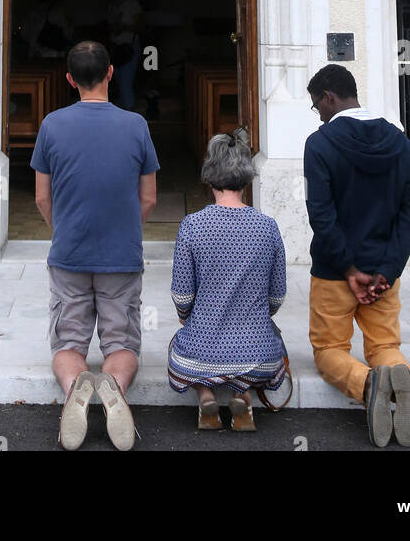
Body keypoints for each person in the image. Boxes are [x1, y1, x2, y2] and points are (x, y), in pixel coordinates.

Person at [31, 40, 159, 451]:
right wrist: (123, 228)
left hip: (68, 254)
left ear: (69, 79)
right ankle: (114, 387)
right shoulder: (136, 125)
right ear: (110, 73)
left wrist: (64, 228)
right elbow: (150, 197)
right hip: (120, 257)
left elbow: (41, 197)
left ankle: (75, 389)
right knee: (121, 344)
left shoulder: (51, 124)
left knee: (68, 344)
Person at [303, 64, 410, 447]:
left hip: (334, 274)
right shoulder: (399, 141)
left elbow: (321, 214)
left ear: (328, 96)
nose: (317, 113)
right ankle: (398, 377)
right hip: (383, 274)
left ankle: (369, 385)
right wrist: (387, 269)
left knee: (329, 350)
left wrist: (348, 268)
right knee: (386, 347)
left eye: (315, 105)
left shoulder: (319, 144)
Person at [167, 129, 288, 432]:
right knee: (258, 349)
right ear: (247, 179)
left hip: (200, 354)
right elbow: (276, 297)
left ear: (208, 176)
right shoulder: (267, 227)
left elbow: (182, 296)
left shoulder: (192, 225)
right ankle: (242, 397)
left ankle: (206, 397)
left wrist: (187, 319)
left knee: (178, 350)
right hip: (260, 356)